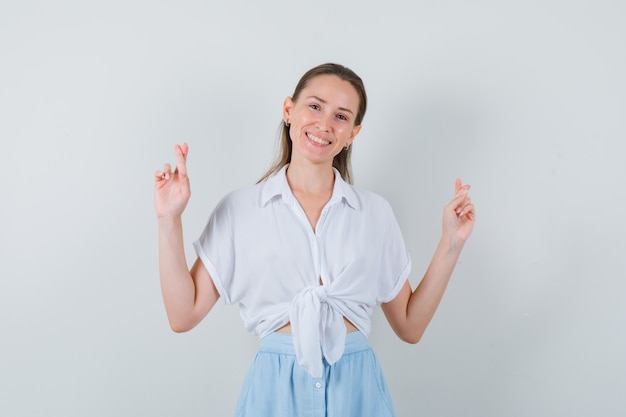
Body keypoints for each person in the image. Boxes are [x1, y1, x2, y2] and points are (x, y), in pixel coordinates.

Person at [154, 63, 475, 417]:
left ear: (353, 133)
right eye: (315, 106)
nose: (324, 124)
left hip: (357, 390)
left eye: (341, 116)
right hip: (274, 392)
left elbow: (410, 326)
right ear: (289, 110)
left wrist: (451, 242)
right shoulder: (240, 210)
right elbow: (182, 316)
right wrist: (169, 220)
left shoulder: (374, 213)